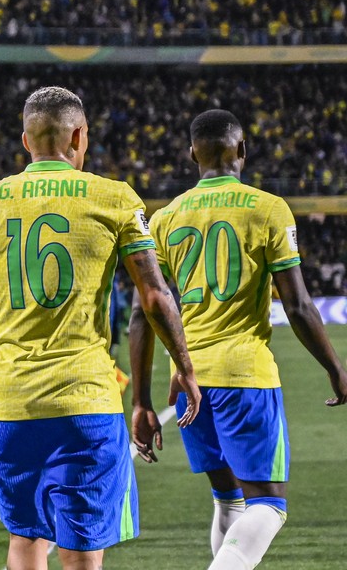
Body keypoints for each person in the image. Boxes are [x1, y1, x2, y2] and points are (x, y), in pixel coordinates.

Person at [0, 86, 200, 570]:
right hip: (86, 402)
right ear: (80, 135)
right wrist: (183, 367)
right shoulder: (114, 197)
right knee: (81, 552)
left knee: (25, 540)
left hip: (11, 402)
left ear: (25, 140)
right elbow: (155, 296)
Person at [129, 109, 347, 570]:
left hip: (187, 383)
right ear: (243, 150)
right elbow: (300, 306)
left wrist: (142, 401)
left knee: (227, 499)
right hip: (244, 376)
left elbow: (141, 313)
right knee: (268, 506)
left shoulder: (165, 219)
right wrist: (336, 370)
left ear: (193, 154)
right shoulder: (268, 208)